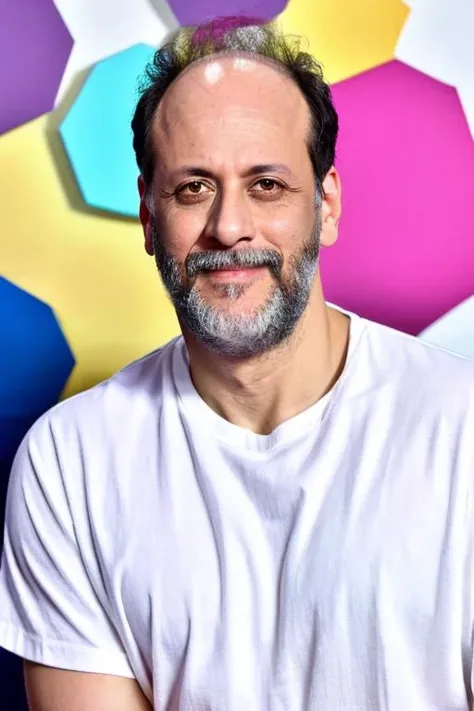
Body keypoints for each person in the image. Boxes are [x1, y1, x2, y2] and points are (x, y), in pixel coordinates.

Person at [1, 15, 474, 711]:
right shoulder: (68, 464)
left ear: (327, 203)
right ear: (148, 217)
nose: (229, 226)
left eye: (267, 185)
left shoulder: (461, 431)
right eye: (193, 187)